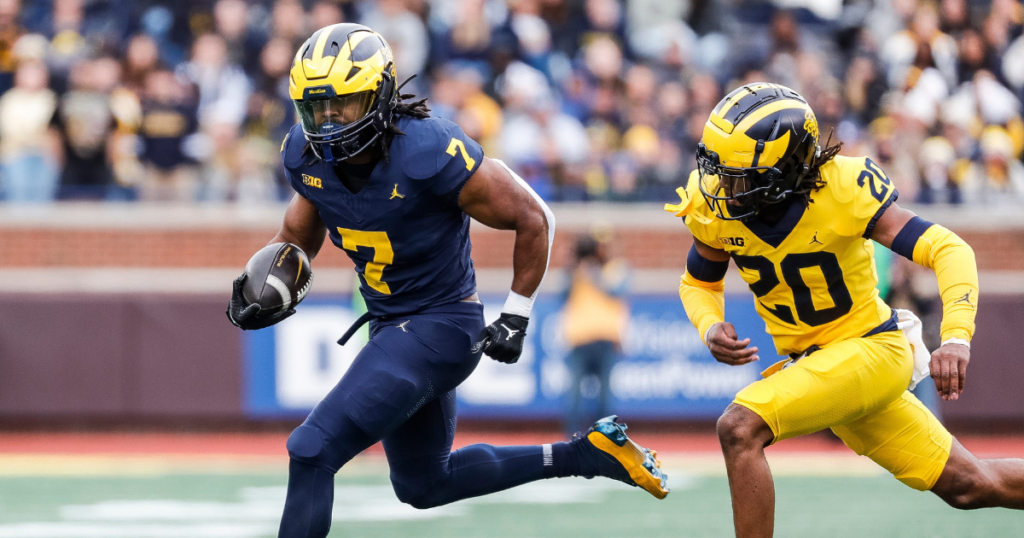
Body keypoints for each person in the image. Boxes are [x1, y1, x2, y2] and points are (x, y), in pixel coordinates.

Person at [225, 24, 669, 538]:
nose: (327, 122)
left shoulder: (427, 151)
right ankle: (586, 454)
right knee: (423, 484)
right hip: (393, 327)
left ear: (380, 94)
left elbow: (534, 217)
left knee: (311, 448)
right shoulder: (307, 155)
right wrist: (272, 281)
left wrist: (516, 316)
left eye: (341, 105)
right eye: (315, 107)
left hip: (441, 326)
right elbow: (296, 235)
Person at [665, 82, 1024, 538]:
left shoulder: (844, 187)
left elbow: (948, 247)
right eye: (720, 170)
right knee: (970, 485)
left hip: (871, 351)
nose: (724, 188)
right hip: (823, 369)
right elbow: (699, 281)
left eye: (741, 176)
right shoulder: (715, 207)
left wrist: (956, 335)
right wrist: (709, 323)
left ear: (785, 170)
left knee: (740, 426)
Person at [561, 227, 629, 435]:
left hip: (606, 339)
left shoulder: (617, 268)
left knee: (605, 396)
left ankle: (604, 439)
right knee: (574, 395)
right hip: (579, 338)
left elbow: (613, 291)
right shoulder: (577, 269)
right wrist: (570, 266)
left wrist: (591, 269)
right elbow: (562, 294)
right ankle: (572, 440)